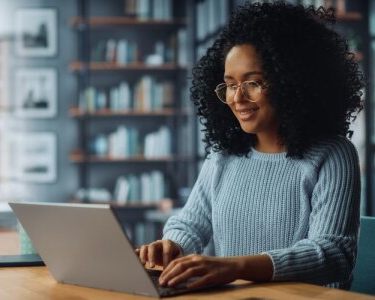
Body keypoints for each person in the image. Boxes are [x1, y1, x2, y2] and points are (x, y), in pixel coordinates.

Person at [137, 2, 364, 290]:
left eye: (253, 83)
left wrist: (234, 267)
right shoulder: (223, 157)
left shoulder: (332, 154)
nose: (237, 98)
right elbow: (190, 224)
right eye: (230, 85)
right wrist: (172, 247)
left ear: (290, 81)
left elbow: (333, 254)